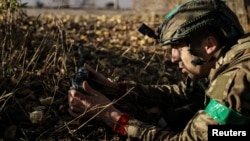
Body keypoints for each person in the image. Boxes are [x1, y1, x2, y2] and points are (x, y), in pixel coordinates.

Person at [68, 0, 250, 140]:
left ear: (209, 45)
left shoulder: (235, 80)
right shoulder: (226, 57)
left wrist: (110, 116)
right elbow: (184, 93)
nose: (173, 58)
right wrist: (116, 88)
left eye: (177, 47)